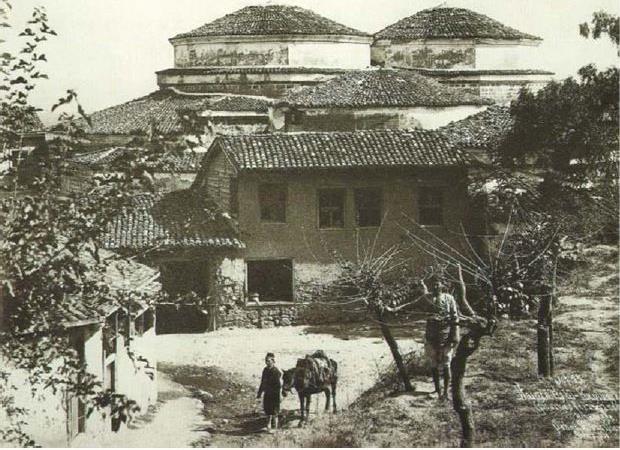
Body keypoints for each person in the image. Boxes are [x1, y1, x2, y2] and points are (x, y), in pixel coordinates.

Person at [420, 270, 460, 400]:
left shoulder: (449, 299)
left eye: (438, 284)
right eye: (433, 285)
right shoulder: (427, 298)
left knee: (446, 362)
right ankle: (437, 389)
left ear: (442, 285)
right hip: (431, 335)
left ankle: (446, 393)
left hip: (446, 334)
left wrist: (455, 335)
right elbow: (416, 305)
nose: (436, 287)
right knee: (433, 363)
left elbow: (455, 317)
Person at [256, 352, 282, 432]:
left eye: (268, 361)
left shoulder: (276, 372)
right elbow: (262, 382)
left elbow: (278, 385)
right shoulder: (265, 370)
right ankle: (268, 425)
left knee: (274, 411)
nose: (267, 362)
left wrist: (279, 395)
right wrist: (259, 393)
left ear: (273, 361)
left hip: (274, 394)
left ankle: (275, 427)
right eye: (266, 360)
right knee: (267, 410)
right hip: (267, 393)